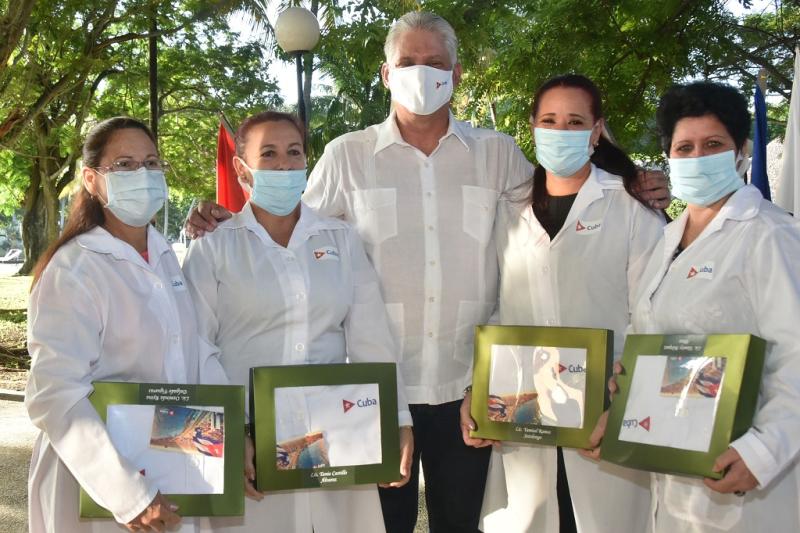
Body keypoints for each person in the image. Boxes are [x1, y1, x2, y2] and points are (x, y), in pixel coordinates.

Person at [184, 13, 670, 532]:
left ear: (457, 74)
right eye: (408, 62)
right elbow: (288, 223)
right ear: (386, 74)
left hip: (470, 389)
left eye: (436, 63)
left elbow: (559, 192)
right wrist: (216, 218)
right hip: (377, 394)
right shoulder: (347, 157)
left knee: (463, 522)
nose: (423, 74)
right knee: (381, 524)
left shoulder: (496, 154)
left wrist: (630, 179)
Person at [181, 110, 413, 533]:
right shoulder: (214, 247)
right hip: (248, 444)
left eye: (294, 152)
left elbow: (371, 338)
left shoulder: (340, 239)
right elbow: (196, 349)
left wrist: (396, 417)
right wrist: (228, 437)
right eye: (268, 154)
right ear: (241, 167)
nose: (285, 165)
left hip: (336, 435)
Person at [462, 74, 663, 533]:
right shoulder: (509, 209)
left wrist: (626, 403)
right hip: (524, 415)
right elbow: (499, 308)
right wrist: (480, 387)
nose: (561, 130)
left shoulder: (631, 207)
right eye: (550, 120)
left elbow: (651, 316)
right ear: (532, 127)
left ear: (596, 133)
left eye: (575, 122)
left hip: (605, 417)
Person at [627, 81, 800, 532]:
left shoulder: (770, 235)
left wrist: (763, 451)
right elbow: (654, 341)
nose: (698, 158)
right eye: (684, 147)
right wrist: (624, 390)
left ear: (741, 150)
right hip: (675, 469)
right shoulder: (667, 239)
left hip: (745, 476)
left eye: (713, 144)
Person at [25, 117, 202, 532]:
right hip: (99, 481)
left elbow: (194, 350)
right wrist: (127, 493)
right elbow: (56, 394)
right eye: (124, 165)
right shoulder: (75, 268)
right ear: (91, 179)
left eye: (152, 162)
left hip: (171, 460)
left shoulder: (163, 254)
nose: (142, 174)